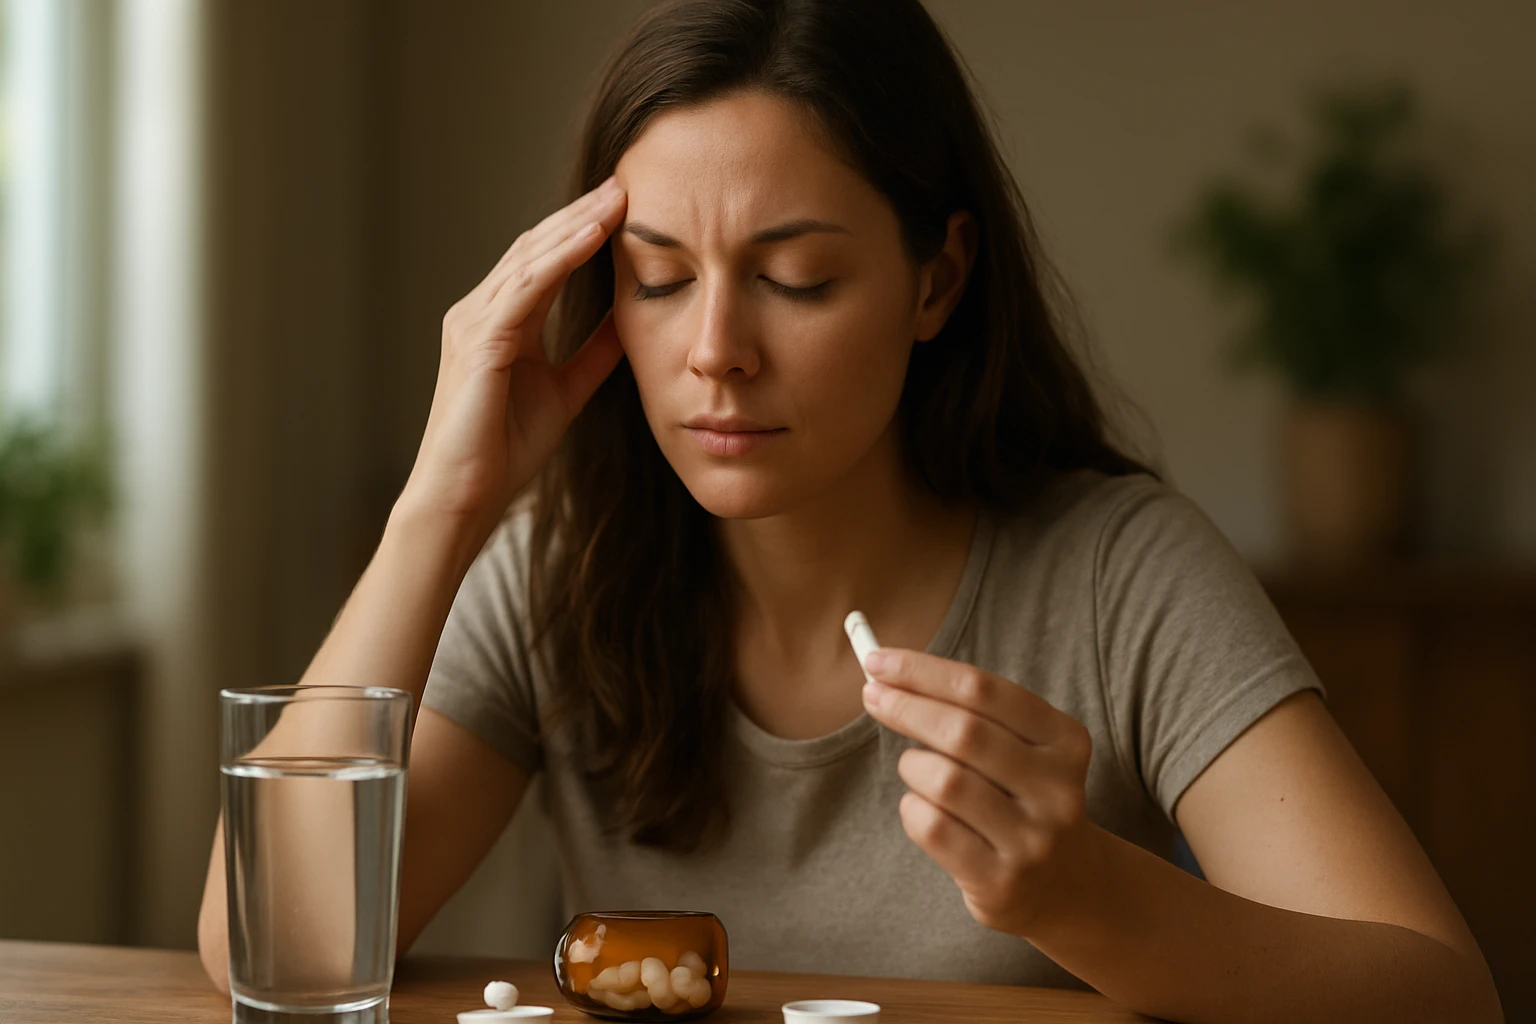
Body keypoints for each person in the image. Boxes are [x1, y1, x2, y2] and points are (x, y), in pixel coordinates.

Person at [198, 1, 1502, 1020]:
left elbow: (1442, 1000)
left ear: (936, 280)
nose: (715, 348)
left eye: (798, 279)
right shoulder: (560, 566)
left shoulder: (1115, 571)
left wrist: (1087, 896)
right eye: (658, 279)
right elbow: (279, 945)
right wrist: (446, 499)